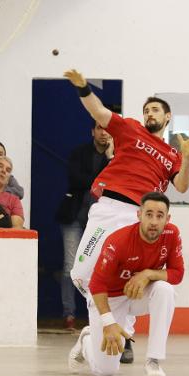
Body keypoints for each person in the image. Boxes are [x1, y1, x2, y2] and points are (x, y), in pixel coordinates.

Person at [63, 69, 189, 363]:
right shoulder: (130, 129)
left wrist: (187, 158)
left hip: (139, 217)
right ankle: (96, 330)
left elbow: (183, 186)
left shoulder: (173, 155)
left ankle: (124, 335)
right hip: (108, 208)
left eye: (155, 110)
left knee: (129, 277)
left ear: (167, 117)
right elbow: (99, 112)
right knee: (82, 275)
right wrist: (83, 88)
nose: (149, 113)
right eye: (146, 110)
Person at [68, 192, 184, 376]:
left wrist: (148, 274)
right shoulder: (118, 241)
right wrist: (108, 322)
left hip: (137, 296)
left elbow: (177, 273)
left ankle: (153, 361)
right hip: (109, 298)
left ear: (167, 219)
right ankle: (87, 340)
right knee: (105, 371)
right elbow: (96, 283)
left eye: (160, 216)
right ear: (139, 215)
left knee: (165, 290)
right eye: (149, 214)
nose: (154, 221)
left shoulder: (172, 234)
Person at [56, 122, 114, 330]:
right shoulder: (79, 153)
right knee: (70, 266)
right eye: (99, 128)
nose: (103, 132)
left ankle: (97, 314)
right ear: (92, 131)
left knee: (99, 268)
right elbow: (78, 180)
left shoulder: (116, 158)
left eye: (107, 129)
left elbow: (113, 184)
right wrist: (103, 172)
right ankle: (69, 314)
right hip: (74, 217)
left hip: (100, 222)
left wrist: (110, 158)